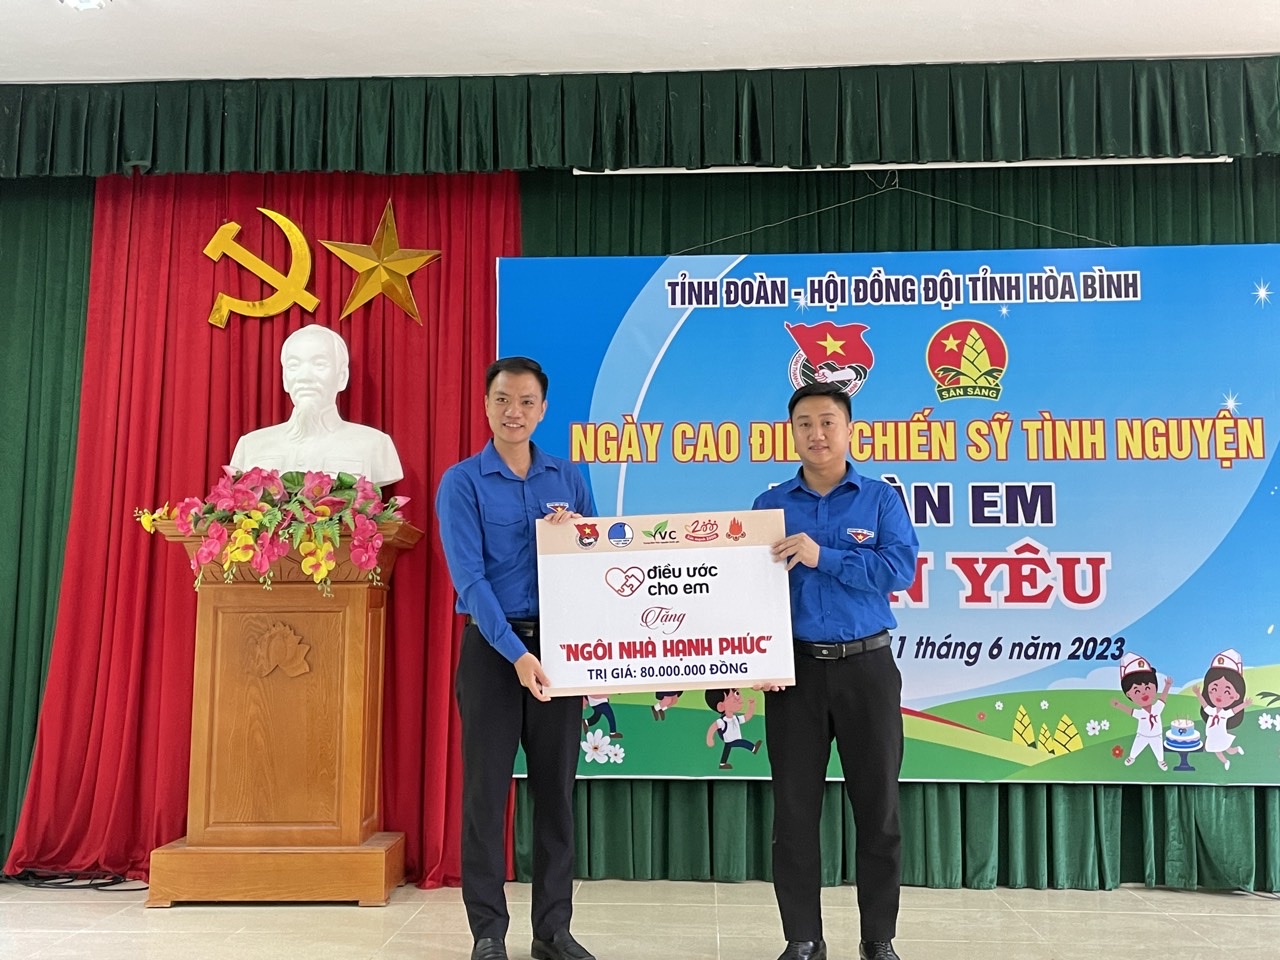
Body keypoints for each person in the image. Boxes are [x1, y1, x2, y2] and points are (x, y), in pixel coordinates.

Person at [436, 356, 598, 960]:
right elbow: (470, 580)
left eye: (527, 401)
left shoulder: (568, 476)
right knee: (486, 795)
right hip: (492, 651)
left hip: (559, 650)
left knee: (556, 794)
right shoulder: (462, 482)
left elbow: (599, 561)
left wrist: (577, 533)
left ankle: (553, 932)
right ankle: (488, 932)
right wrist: (517, 655)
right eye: (503, 399)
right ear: (486, 405)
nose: (514, 412)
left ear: (543, 409)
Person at [752, 382, 920, 960]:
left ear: (849, 430)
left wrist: (824, 556)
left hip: (866, 668)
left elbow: (899, 570)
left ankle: (879, 940)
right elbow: (750, 592)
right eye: (804, 423)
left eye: (827, 421)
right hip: (793, 674)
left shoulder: (880, 499)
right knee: (794, 814)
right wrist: (759, 655)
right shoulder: (769, 506)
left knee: (878, 811)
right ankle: (803, 939)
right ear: (791, 432)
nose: (816, 433)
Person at [230, 323, 403, 485]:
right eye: (294, 365)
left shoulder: (375, 445)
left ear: (342, 377)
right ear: (285, 379)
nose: (305, 377)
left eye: (319, 364)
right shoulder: (250, 446)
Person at [1109, 653, 1172, 770]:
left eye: (1148, 688)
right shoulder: (1140, 713)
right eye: (1137, 691)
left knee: (1159, 750)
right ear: (1129, 695)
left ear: (1155, 687)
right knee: (1136, 747)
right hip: (1142, 735)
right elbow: (1130, 711)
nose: (1143, 693)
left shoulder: (1157, 708)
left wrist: (1167, 686)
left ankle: (1161, 761)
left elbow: (1163, 698)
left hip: (1156, 735)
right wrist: (1119, 705)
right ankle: (1132, 757)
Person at [1194, 648, 1253, 771]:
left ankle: (1228, 759)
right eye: (1214, 689)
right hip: (1212, 735)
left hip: (1219, 735)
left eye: (1227, 691)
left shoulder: (1224, 714)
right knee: (1223, 749)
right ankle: (1229, 758)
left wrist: (1244, 705)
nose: (1219, 695)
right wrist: (1198, 694)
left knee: (1223, 750)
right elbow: (1204, 705)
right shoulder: (1211, 711)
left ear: (1236, 696)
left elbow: (1234, 710)